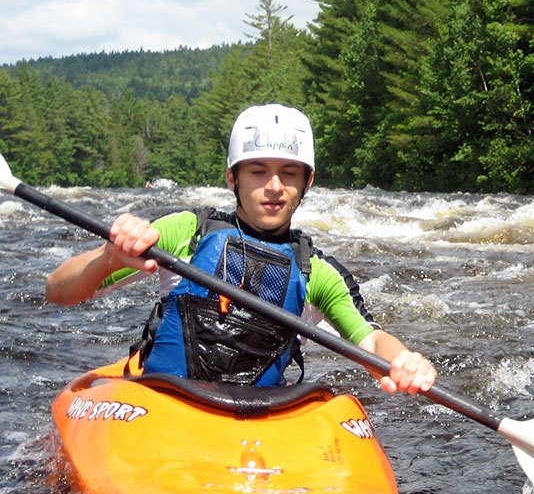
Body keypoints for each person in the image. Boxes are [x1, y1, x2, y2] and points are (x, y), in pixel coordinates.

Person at [45, 103, 437, 395]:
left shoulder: (316, 272)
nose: (274, 187)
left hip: (257, 413)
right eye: (258, 171)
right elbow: (58, 292)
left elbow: (370, 342)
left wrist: (402, 359)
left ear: (307, 183)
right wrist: (111, 256)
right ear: (232, 177)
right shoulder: (186, 233)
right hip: (165, 401)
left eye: (288, 173)